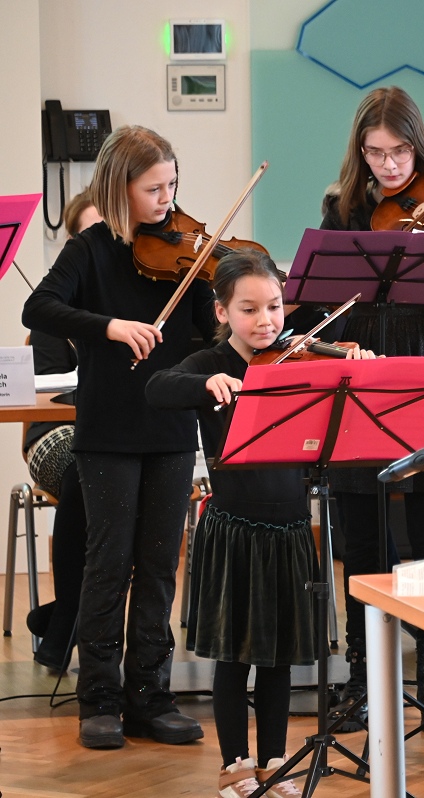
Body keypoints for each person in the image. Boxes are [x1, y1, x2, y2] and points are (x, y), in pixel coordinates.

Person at [146, 250, 376, 797]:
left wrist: (360, 369)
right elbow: (156, 387)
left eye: (274, 306)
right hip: (235, 529)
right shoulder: (210, 362)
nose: (266, 320)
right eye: (248, 309)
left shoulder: (301, 361)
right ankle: (234, 764)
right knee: (235, 657)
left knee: (279, 658)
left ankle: (273, 761)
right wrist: (207, 384)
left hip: (292, 529)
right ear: (222, 312)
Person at [23, 126, 217, 749]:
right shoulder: (89, 250)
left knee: (159, 566)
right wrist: (108, 326)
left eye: (173, 185)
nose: (168, 199)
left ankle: (151, 696)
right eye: (154, 188)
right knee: (108, 565)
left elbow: (208, 332)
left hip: (171, 428)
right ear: (119, 187)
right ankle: (99, 699)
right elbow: (38, 308)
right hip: (107, 430)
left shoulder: (186, 251)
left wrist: (237, 304)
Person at [320, 85, 424, 730]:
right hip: (361, 369)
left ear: (419, 148)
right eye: (375, 153)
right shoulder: (341, 214)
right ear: (360, 152)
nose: (388, 165)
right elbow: (322, 302)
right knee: (362, 530)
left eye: (400, 152)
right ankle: (363, 677)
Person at [22, 187, 102, 670]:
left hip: (112, 435)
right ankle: (70, 614)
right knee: (86, 470)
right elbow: (49, 396)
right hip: (55, 434)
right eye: (89, 233)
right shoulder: (53, 314)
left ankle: (62, 616)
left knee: (121, 474)